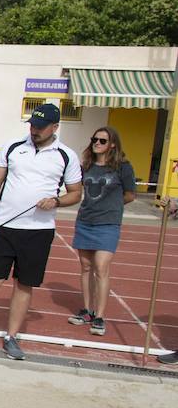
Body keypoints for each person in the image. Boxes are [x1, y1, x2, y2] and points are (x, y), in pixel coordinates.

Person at [0, 103, 82, 360]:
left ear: (55, 128)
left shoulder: (66, 155)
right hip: (4, 228)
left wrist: (56, 201)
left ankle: (11, 337)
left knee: (24, 285)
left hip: (38, 231)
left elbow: (76, 193)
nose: (35, 130)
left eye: (41, 127)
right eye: (32, 125)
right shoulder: (12, 147)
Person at [68, 126, 136, 337]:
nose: (97, 143)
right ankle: (87, 311)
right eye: (95, 139)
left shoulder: (122, 167)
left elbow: (130, 195)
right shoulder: (86, 165)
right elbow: (77, 190)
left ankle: (100, 315)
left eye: (102, 141)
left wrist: (113, 206)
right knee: (86, 266)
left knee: (101, 266)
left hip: (108, 224)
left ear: (112, 144)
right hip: (85, 221)